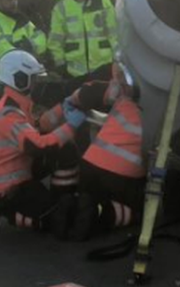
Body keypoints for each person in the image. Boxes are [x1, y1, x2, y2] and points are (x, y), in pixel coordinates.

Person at [0, 50, 86, 234]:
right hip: (9, 185)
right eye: (33, 79)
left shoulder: (17, 103)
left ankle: (61, 200)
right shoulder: (8, 113)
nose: (36, 84)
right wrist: (71, 127)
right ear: (19, 79)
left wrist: (63, 108)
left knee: (65, 149)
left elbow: (38, 127)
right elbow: (36, 146)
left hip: (20, 170)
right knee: (52, 221)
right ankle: (2, 207)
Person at [38, 61, 145, 240]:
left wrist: (71, 100)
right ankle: (98, 214)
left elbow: (90, 89)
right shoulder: (164, 101)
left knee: (90, 196)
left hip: (90, 167)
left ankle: (73, 205)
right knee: (143, 209)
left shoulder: (122, 91)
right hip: (123, 176)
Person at [47, 0, 118, 83]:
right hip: (74, 74)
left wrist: (118, 61)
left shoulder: (104, 2)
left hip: (104, 71)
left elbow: (114, 35)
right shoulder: (61, 8)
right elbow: (55, 42)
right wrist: (61, 66)